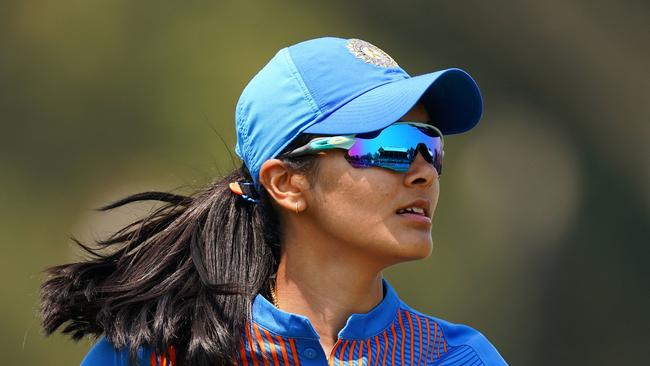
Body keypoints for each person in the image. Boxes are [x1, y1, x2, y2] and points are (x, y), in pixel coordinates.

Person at [40, 37, 508, 365]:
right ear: (286, 183)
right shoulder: (162, 355)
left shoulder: (462, 358)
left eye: (432, 147)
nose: (423, 170)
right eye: (393, 146)